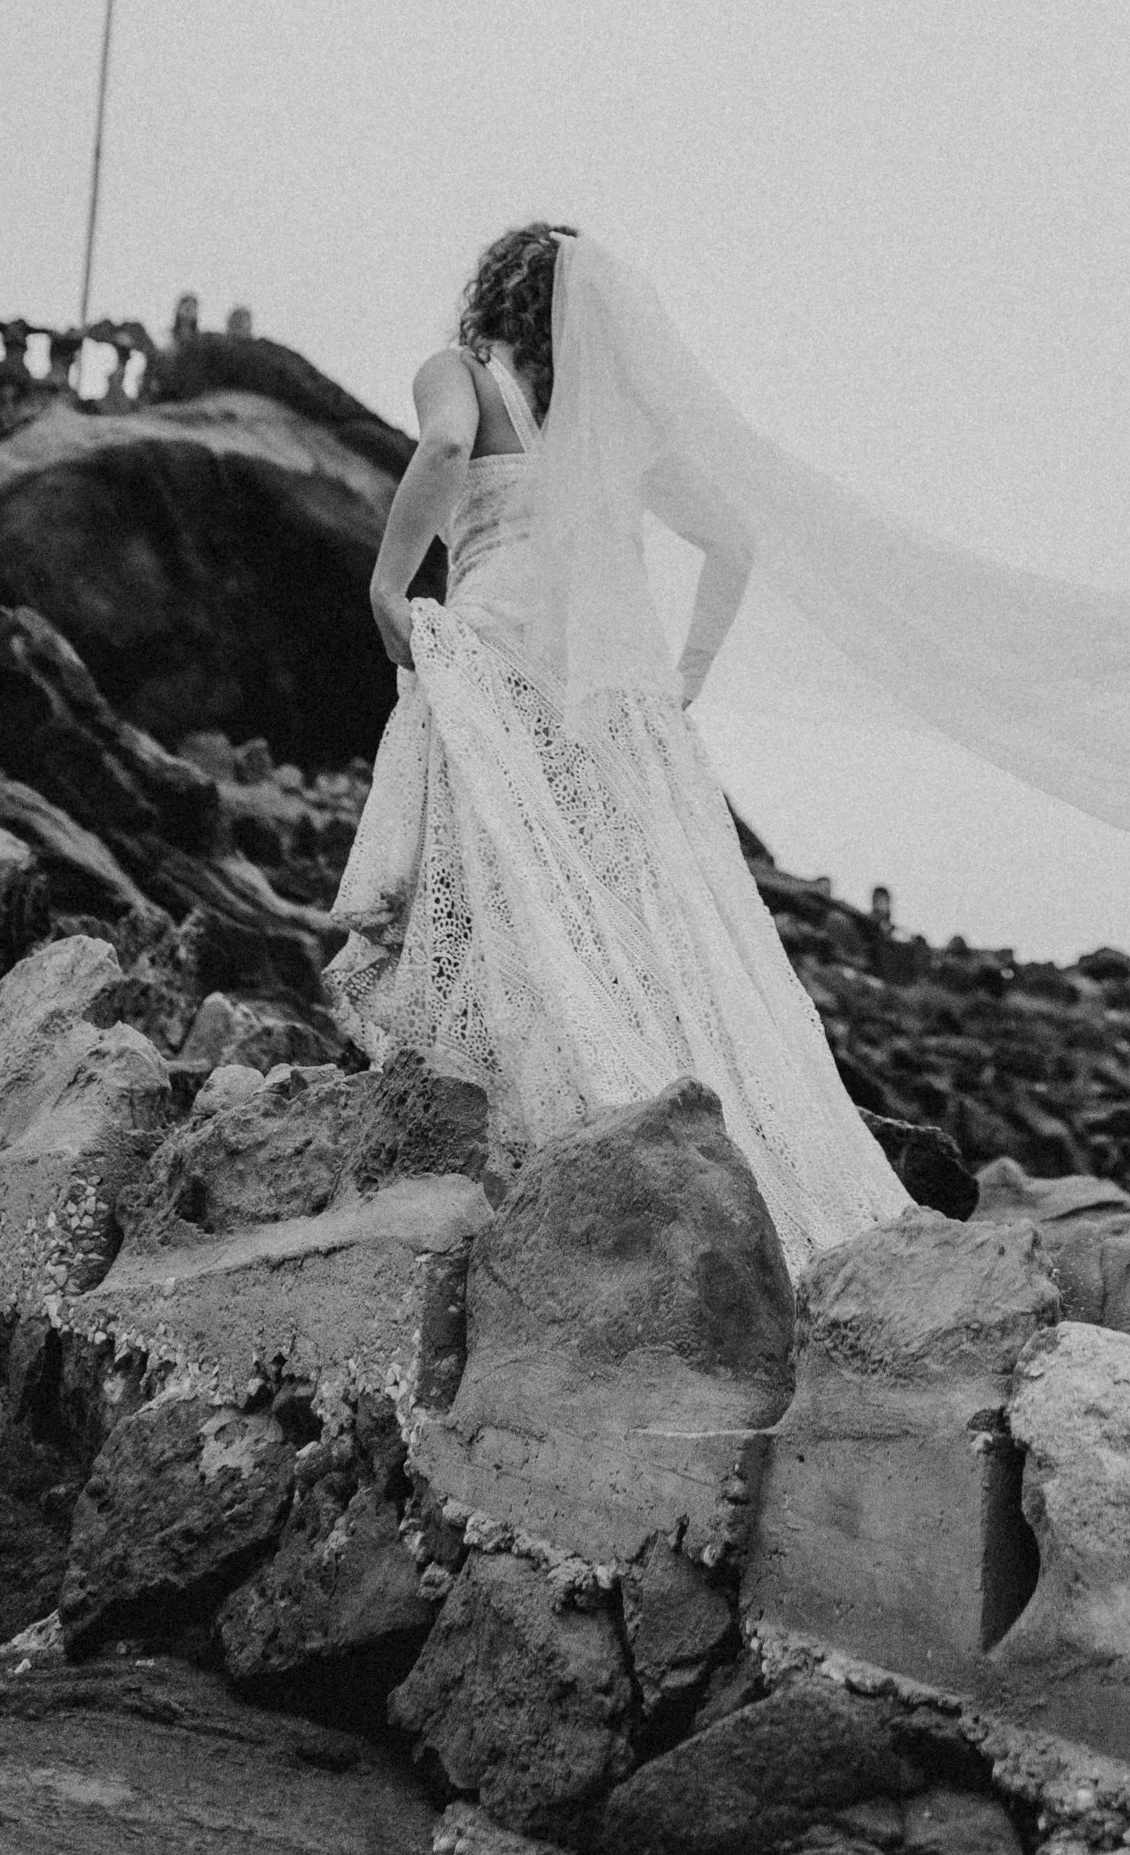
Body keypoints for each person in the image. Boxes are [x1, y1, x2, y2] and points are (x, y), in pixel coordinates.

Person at [327, 221, 908, 1266]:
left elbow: (447, 446)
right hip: (613, 693)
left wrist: (386, 582)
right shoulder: (614, 424)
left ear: (491, 296)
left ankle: (534, 1135)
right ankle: (689, 1152)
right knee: (624, 919)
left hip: (500, 651)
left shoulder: (458, 373)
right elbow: (732, 540)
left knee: (512, 899)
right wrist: (685, 678)